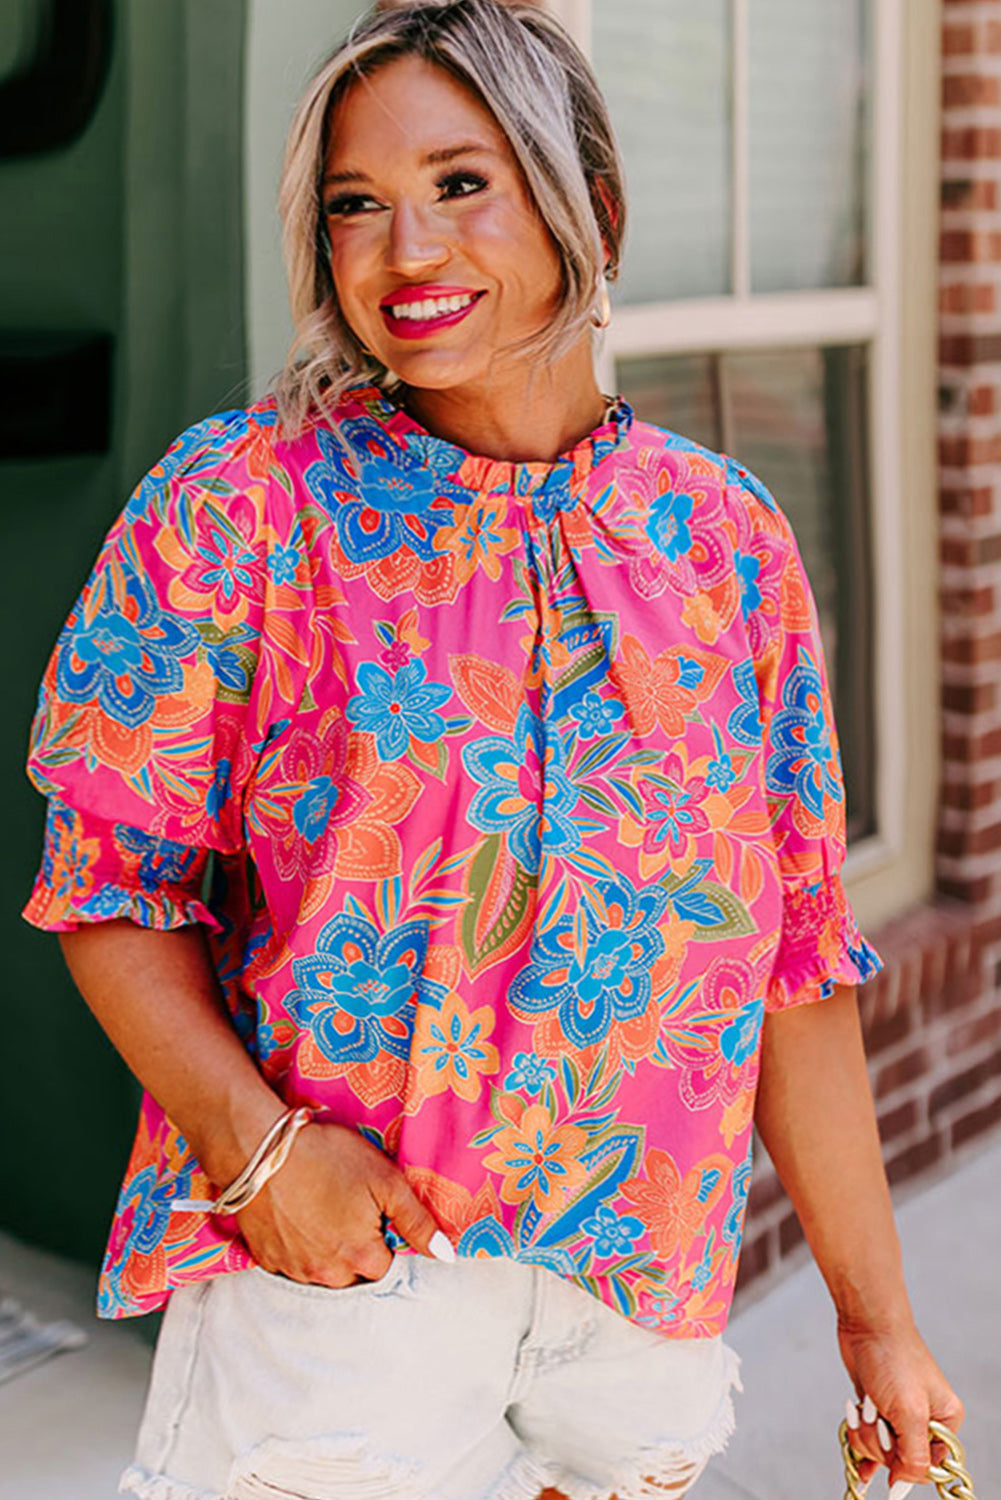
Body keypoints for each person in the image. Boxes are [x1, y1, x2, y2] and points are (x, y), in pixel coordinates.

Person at [23, 3, 964, 1498]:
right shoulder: (247, 507)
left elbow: (792, 962)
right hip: (349, 1290)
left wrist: (877, 1322)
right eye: (356, 205)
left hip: (639, 1305)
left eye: (462, 184)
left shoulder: (722, 541)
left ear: (586, 201)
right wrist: (266, 1165)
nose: (408, 253)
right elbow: (110, 887)